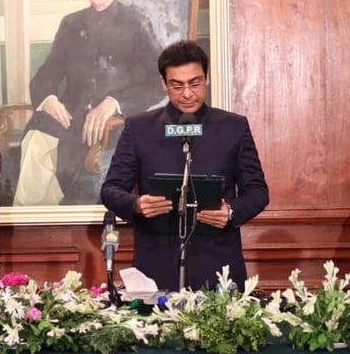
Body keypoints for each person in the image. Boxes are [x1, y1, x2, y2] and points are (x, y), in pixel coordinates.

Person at [100, 40, 269, 292]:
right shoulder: (139, 128)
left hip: (218, 263)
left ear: (207, 78)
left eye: (195, 83)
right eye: (177, 86)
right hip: (156, 262)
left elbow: (258, 192)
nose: (187, 93)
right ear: (163, 84)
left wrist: (230, 212)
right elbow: (111, 189)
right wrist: (137, 204)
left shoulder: (233, 127)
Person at [13, 0, 165, 206]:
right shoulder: (70, 24)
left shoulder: (137, 24)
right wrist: (48, 99)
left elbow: (159, 81)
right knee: (35, 144)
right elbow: (46, 74)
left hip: (114, 126)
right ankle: (38, 231)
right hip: (68, 118)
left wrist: (114, 103)